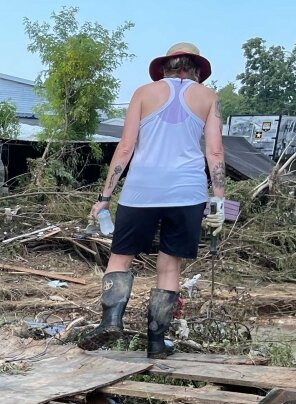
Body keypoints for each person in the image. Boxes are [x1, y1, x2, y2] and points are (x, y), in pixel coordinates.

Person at [80, 42, 226, 358]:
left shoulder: (143, 93)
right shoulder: (208, 98)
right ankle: (157, 343)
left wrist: (104, 197)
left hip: (141, 190)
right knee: (169, 265)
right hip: (187, 193)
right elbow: (214, 152)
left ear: (164, 68)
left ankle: (111, 322)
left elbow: (125, 147)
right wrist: (218, 201)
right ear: (197, 71)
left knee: (120, 256)